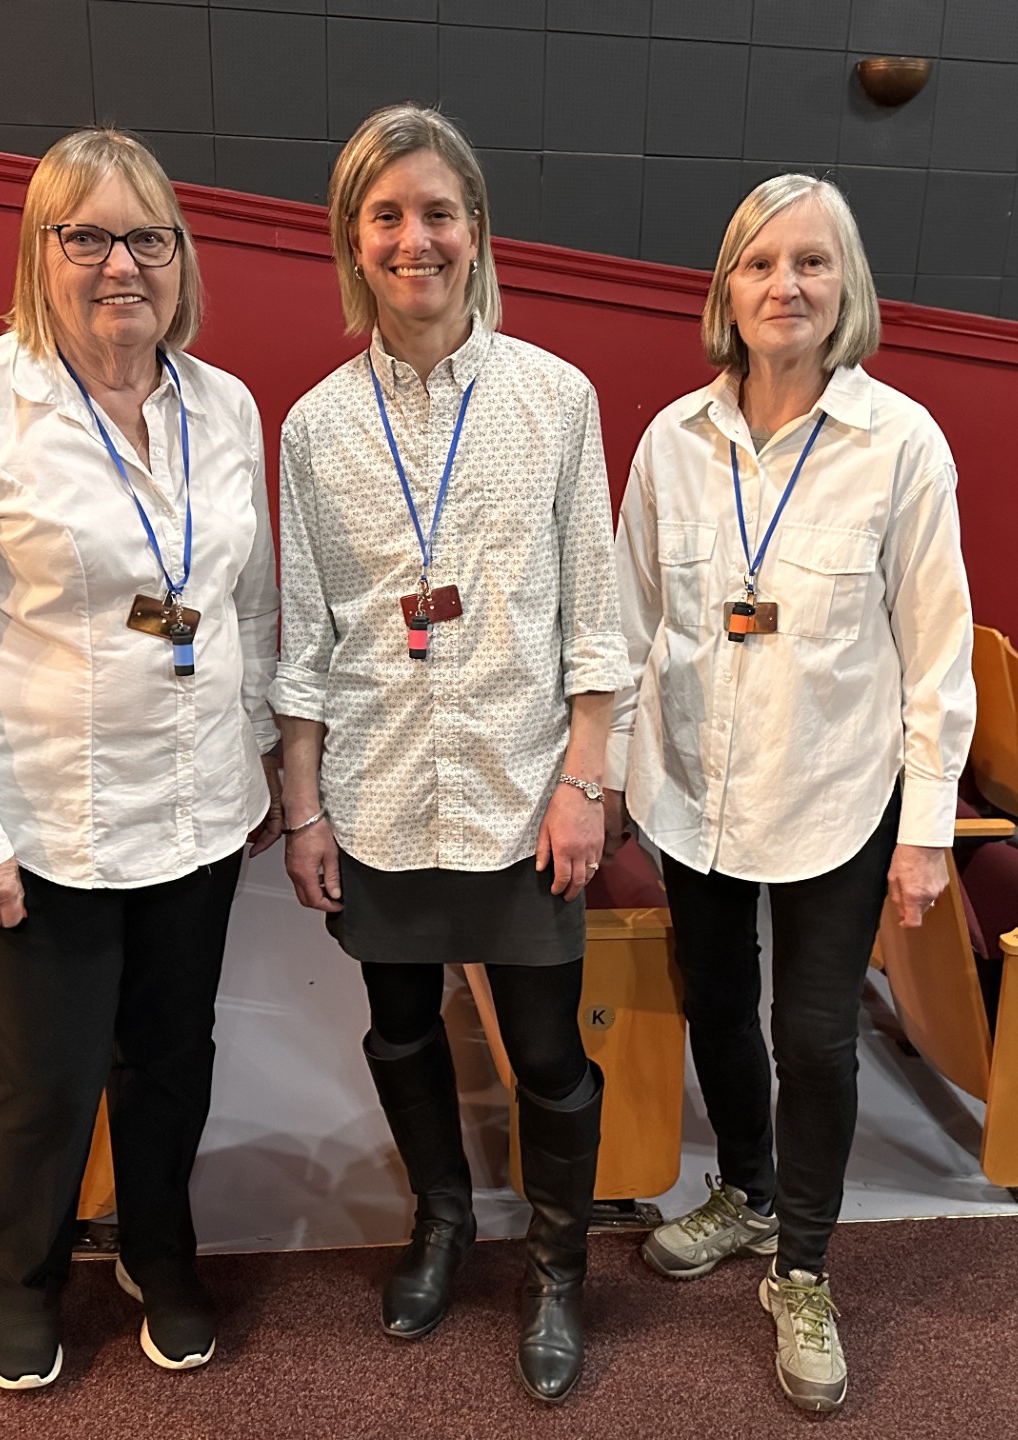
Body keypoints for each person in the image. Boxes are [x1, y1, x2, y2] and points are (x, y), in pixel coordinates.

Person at [0, 128, 280, 1391]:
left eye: (146, 236)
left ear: (180, 257)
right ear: (40, 253)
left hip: (196, 814)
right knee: (43, 1078)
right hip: (36, 825)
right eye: (86, 235)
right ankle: (27, 1278)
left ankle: (162, 1252)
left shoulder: (225, 404)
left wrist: (257, 761)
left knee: (173, 1060)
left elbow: (246, 607)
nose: (120, 264)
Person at [272, 103, 628, 1405]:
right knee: (403, 1035)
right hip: (376, 793)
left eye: (437, 213)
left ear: (476, 233)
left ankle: (556, 1267)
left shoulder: (556, 399)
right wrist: (304, 804)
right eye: (387, 216)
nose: (414, 240)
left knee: (546, 1056)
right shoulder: (314, 428)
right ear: (353, 242)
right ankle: (442, 1222)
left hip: (525, 797)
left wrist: (586, 778)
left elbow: (598, 607)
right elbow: (305, 629)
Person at [606, 174, 974, 1415]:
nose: (786, 287)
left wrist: (928, 829)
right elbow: (629, 618)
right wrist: (603, 779)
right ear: (727, 288)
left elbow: (938, 647)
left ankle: (804, 1267)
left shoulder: (902, 445)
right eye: (761, 265)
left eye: (813, 264)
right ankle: (749, 1196)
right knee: (715, 1001)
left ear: (845, 288)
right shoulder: (672, 440)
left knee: (813, 1037)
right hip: (694, 786)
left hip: (835, 793)